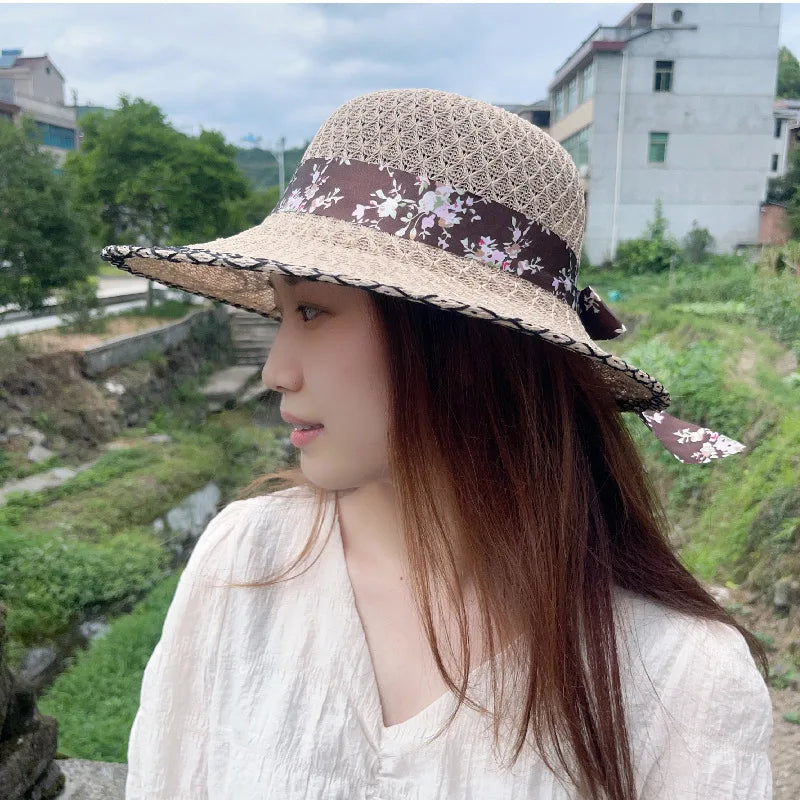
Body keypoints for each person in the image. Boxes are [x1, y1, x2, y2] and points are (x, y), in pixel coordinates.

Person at [103, 89, 773, 800]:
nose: (276, 370)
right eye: (282, 313)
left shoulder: (680, 679)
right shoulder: (244, 562)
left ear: (458, 347)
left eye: (312, 311)